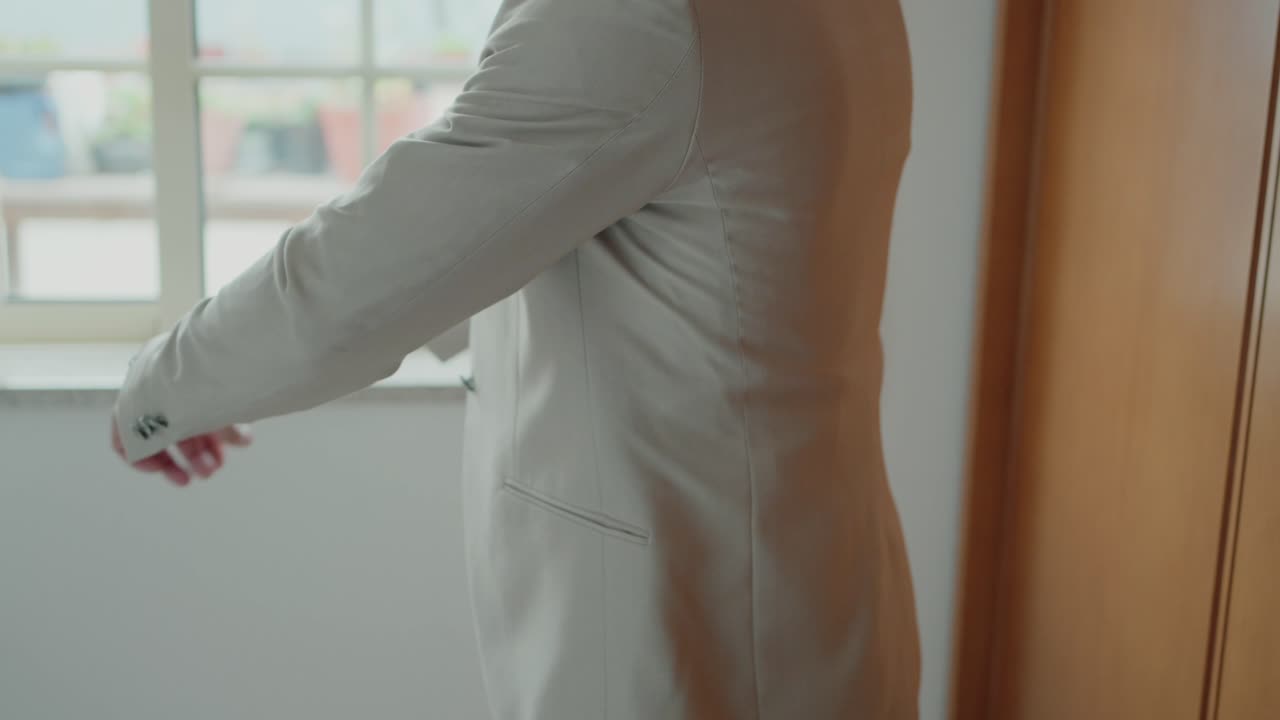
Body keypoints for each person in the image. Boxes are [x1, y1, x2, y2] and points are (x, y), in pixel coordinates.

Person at [109, 0, 920, 716]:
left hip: (682, 628)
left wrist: (166, 386)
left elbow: (371, 269)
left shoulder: (640, 15)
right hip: (817, 586)